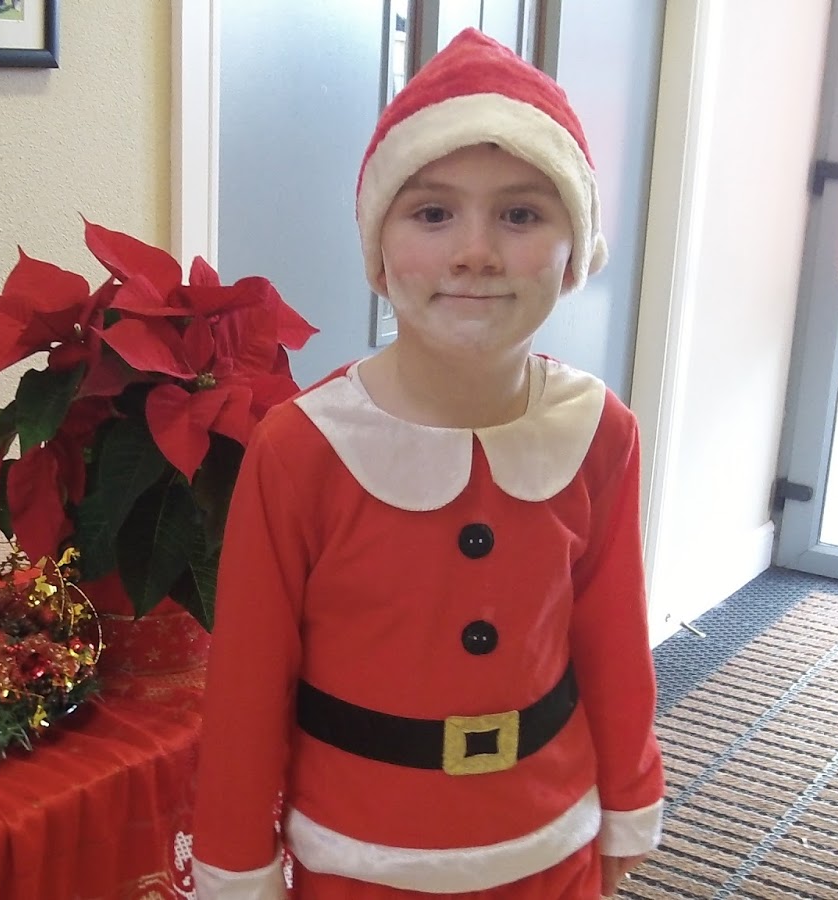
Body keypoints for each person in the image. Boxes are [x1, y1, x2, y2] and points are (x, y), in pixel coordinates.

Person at [189, 29, 664, 899]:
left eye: (521, 215)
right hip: (361, 859)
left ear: (576, 250)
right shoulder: (302, 449)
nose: (475, 252)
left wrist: (629, 795)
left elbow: (614, 639)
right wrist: (237, 862)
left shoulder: (600, 432)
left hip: (549, 845)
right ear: (378, 249)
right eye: (433, 213)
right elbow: (247, 686)